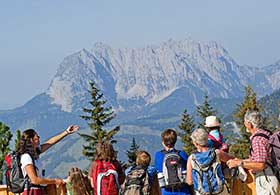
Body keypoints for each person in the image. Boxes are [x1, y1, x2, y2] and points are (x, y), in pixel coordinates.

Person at [227, 110, 280, 195]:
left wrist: (239, 163)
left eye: (245, 122)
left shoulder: (257, 140)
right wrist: (241, 161)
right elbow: (258, 159)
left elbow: (260, 164)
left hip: (266, 180)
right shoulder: (266, 134)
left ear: (249, 124)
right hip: (272, 177)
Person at [17, 125, 79, 195]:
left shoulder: (34, 154)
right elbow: (34, 180)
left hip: (38, 190)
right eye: (37, 136)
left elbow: (51, 142)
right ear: (31, 140)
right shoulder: (26, 157)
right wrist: (54, 181)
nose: (39, 138)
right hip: (32, 191)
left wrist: (66, 132)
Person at [186, 128, 233, 195]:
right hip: (220, 191)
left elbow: (189, 181)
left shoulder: (191, 159)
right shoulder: (217, 153)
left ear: (196, 143)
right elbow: (233, 159)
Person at [154, 129, 191, 195]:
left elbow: (158, 171)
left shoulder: (159, 155)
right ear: (175, 141)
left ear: (163, 142)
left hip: (167, 191)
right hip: (183, 190)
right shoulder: (182, 154)